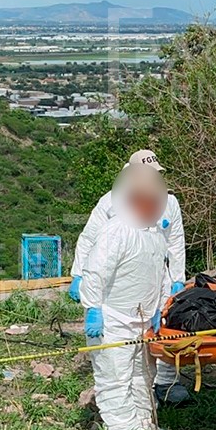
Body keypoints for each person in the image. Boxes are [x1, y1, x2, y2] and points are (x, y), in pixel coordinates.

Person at [69, 149, 189, 403]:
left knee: (162, 332)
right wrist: (79, 274)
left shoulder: (170, 203)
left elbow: (176, 242)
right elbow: (91, 239)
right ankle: (121, 397)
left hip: (157, 276)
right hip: (121, 282)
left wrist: (177, 278)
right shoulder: (111, 202)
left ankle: (166, 383)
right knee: (120, 345)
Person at [79, 164, 171, 430]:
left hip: (143, 322)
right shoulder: (116, 230)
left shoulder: (155, 234)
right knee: (115, 378)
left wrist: (160, 307)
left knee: (144, 377)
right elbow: (95, 271)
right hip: (113, 321)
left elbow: (161, 273)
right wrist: (93, 308)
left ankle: (144, 427)